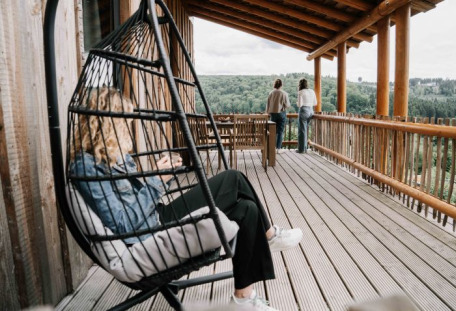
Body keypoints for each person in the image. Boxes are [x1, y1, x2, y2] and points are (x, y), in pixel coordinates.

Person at [70, 87, 303, 311]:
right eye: (124, 122)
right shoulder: (87, 166)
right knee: (233, 178)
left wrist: (161, 174)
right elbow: (123, 224)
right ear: (107, 124)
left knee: (247, 209)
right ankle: (269, 235)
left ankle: (243, 297)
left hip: (156, 216)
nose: (128, 129)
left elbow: (136, 201)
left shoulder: (111, 157)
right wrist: (158, 180)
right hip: (150, 232)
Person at [266, 78, 290, 152]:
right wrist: (283, 107)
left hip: (273, 113)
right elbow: (287, 105)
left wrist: (268, 112)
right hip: (281, 113)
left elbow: (268, 104)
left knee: (272, 131)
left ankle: (271, 148)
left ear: (275, 84)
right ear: (281, 85)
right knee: (280, 131)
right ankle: (278, 149)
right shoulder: (283, 93)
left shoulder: (271, 93)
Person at [296, 78, 317, 153]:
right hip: (311, 111)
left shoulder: (300, 92)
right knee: (305, 130)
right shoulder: (312, 91)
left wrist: (297, 103)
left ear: (300, 85)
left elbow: (300, 104)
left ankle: (301, 149)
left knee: (302, 131)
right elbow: (315, 103)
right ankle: (305, 148)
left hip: (304, 111)